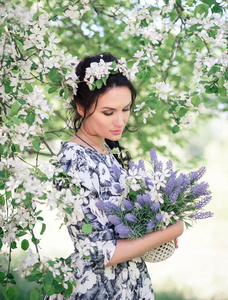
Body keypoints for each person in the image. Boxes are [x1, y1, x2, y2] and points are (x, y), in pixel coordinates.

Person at [46, 53, 184, 300]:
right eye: (108, 112)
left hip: (129, 284)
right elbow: (100, 252)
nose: (120, 121)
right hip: (97, 289)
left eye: (126, 109)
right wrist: (172, 231)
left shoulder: (105, 150)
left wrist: (155, 228)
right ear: (80, 108)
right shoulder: (73, 161)